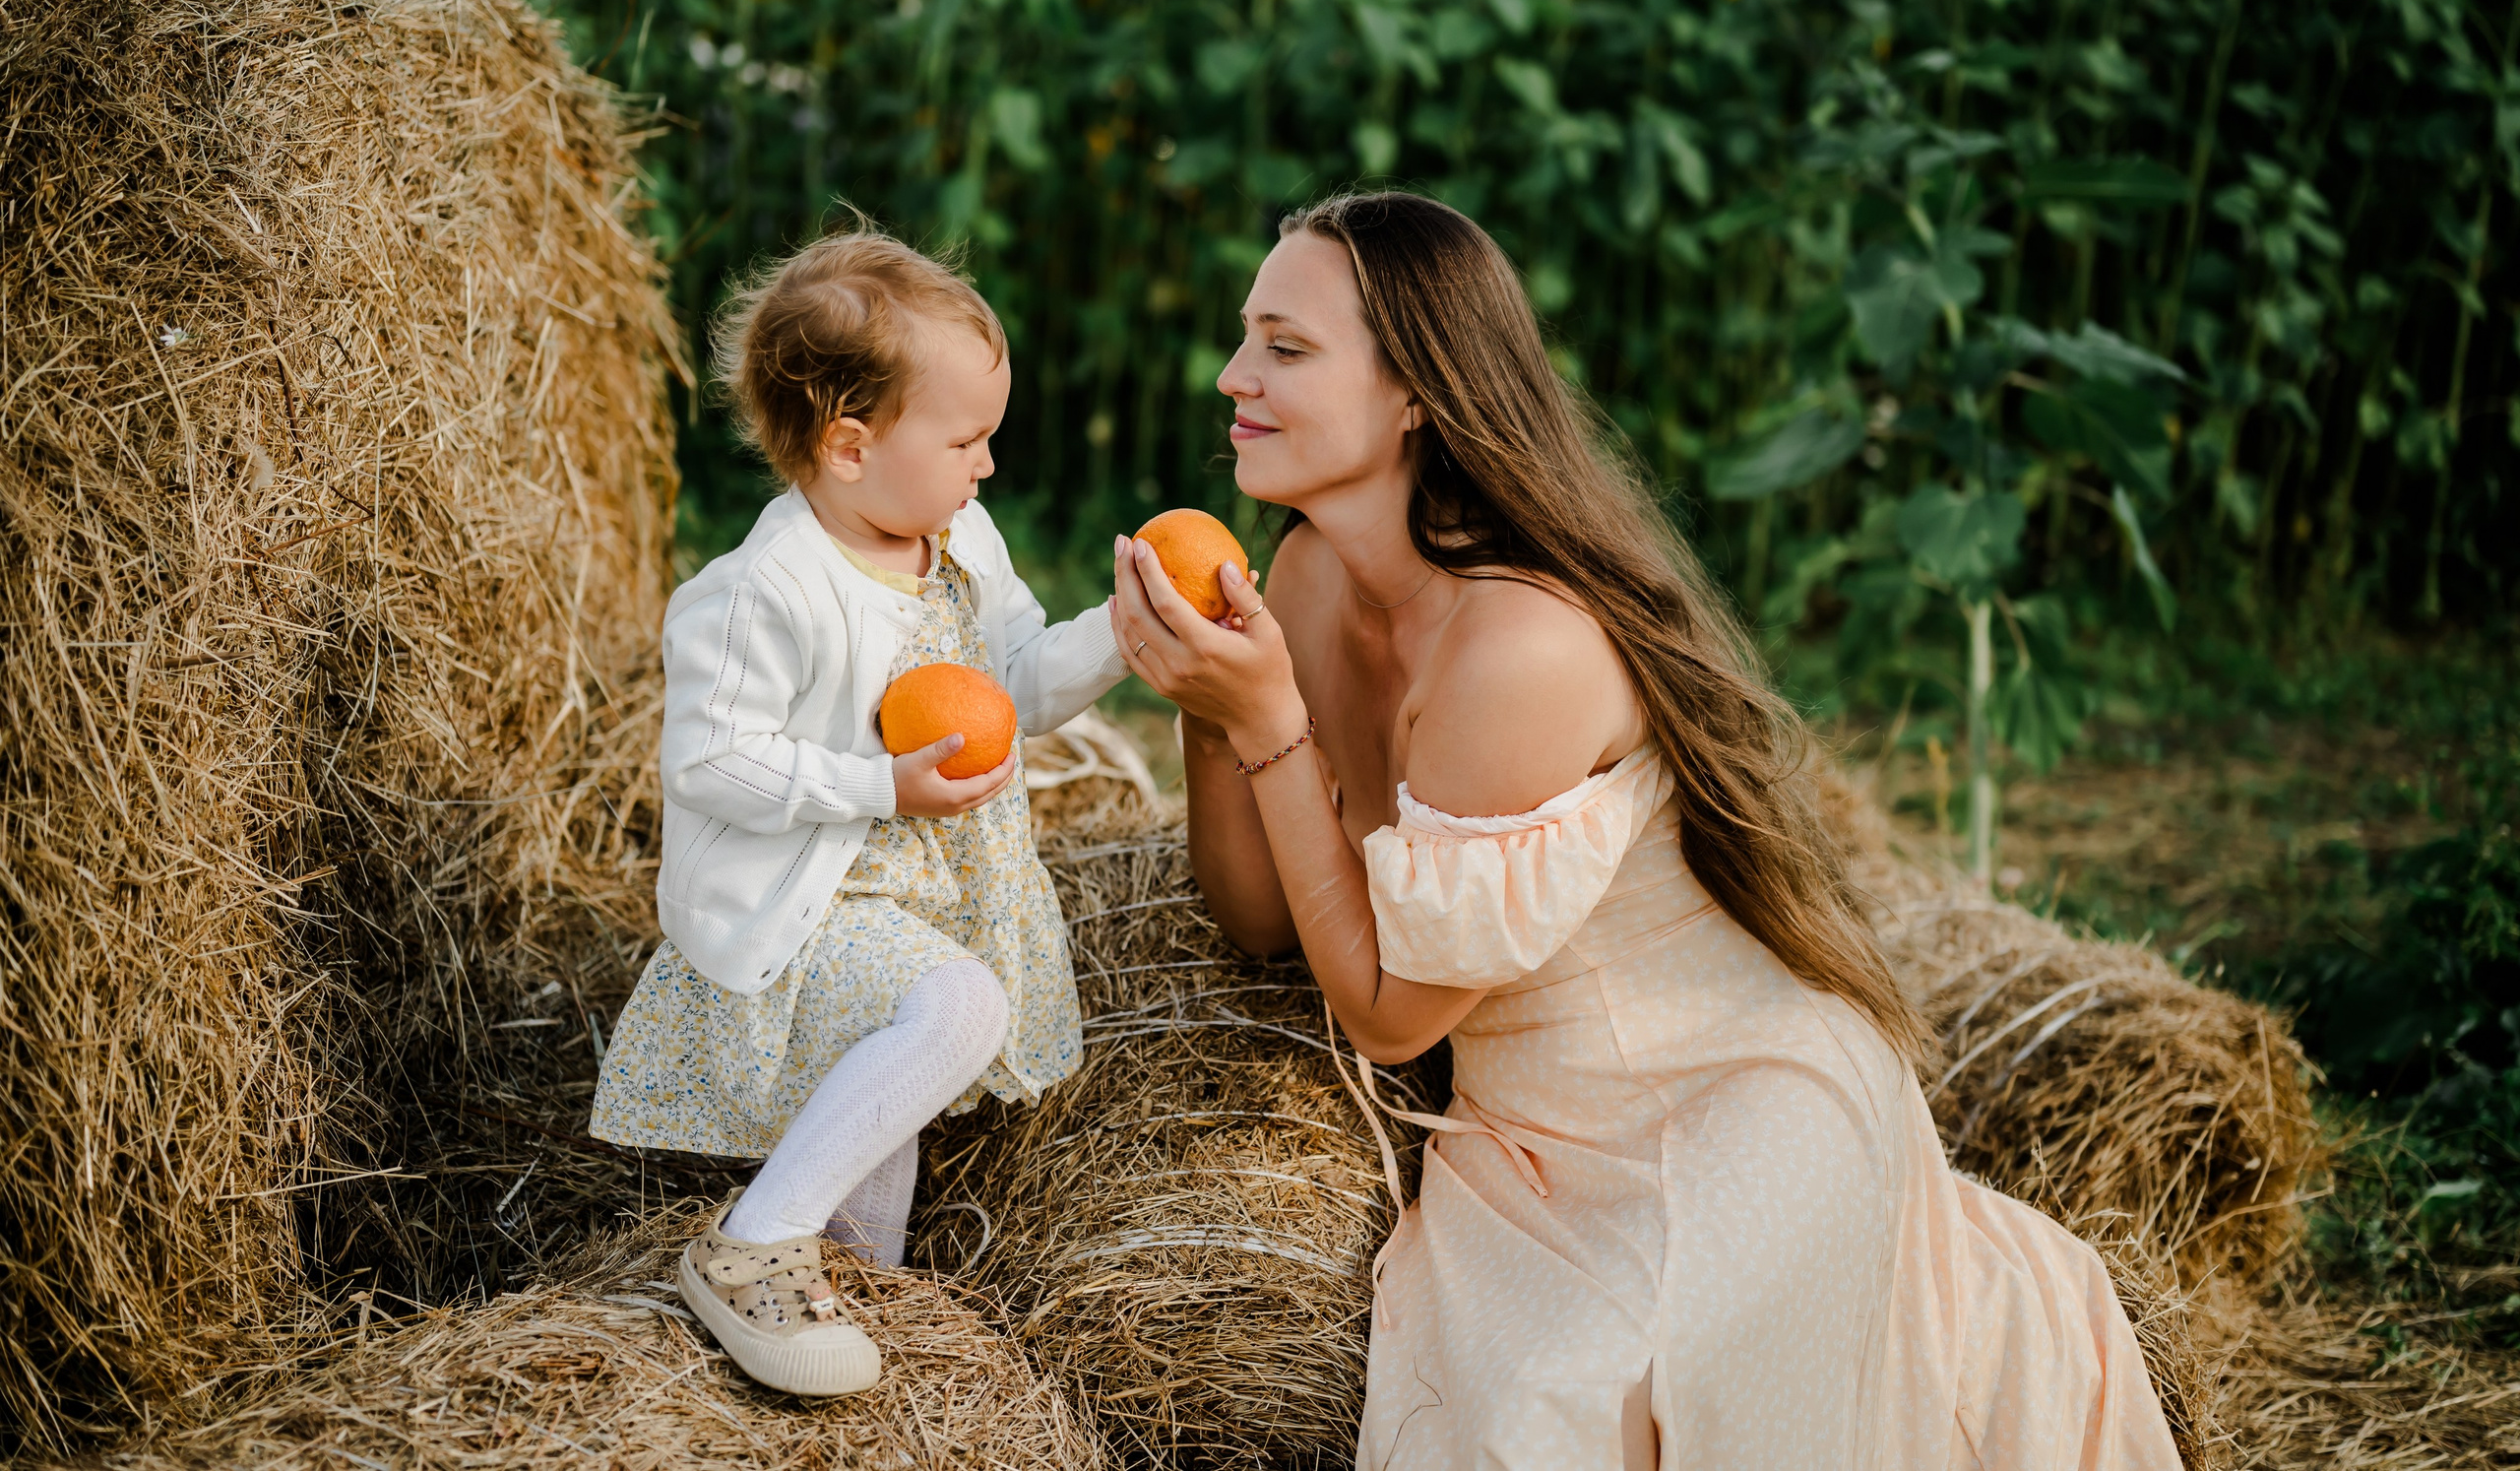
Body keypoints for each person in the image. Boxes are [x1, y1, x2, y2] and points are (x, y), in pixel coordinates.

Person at [1109, 190, 2180, 1469]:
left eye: (1286, 346)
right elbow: (1260, 919)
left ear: (1416, 391)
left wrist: (1271, 719)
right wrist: (1208, 707)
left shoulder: (1517, 641)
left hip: (1734, 1087)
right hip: (1527, 1125)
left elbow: (1394, 1016)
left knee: (1578, 1411)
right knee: (1517, 1421)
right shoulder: (1307, 576)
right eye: (1246, 337)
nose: (1235, 376)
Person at [591, 227, 1128, 1396]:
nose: (988, 464)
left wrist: (1119, 635)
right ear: (848, 446)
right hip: (818, 891)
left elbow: (1017, 681)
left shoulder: (958, 540)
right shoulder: (763, 588)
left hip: (930, 881)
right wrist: (878, 786)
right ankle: (748, 1246)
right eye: (967, 438)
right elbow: (709, 760)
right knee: (957, 1005)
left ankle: (840, 1282)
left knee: (892, 1113)